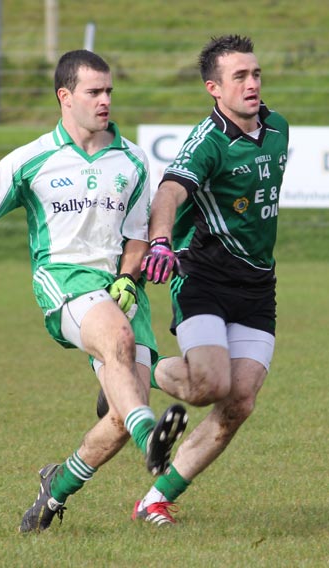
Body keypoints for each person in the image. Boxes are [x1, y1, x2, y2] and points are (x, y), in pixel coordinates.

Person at [0, 49, 187, 532]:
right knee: (121, 352)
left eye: (109, 90)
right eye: (94, 92)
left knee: (116, 415)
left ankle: (58, 485)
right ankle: (151, 436)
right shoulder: (29, 160)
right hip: (64, 281)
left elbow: (135, 236)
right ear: (64, 97)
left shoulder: (131, 160)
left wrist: (130, 277)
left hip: (120, 290)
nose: (105, 100)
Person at [133, 34, 289, 525]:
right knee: (207, 386)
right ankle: (149, 368)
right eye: (239, 77)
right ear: (213, 89)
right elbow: (170, 192)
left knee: (240, 400)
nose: (252, 84)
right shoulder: (209, 142)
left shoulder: (278, 127)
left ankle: (154, 498)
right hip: (203, 275)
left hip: (258, 284)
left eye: (256, 74)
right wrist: (160, 242)